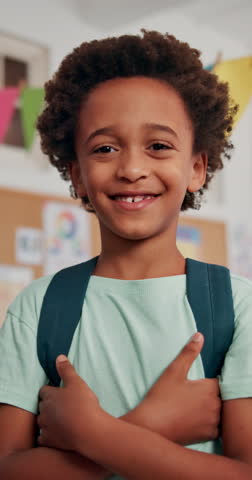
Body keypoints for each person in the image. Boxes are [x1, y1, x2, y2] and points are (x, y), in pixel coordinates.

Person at [0, 29, 252, 479]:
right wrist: (152, 424)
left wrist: (92, 434)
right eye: (105, 149)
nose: (132, 169)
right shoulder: (37, 309)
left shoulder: (237, 308)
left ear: (197, 167)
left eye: (158, 146)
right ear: (76, 174)